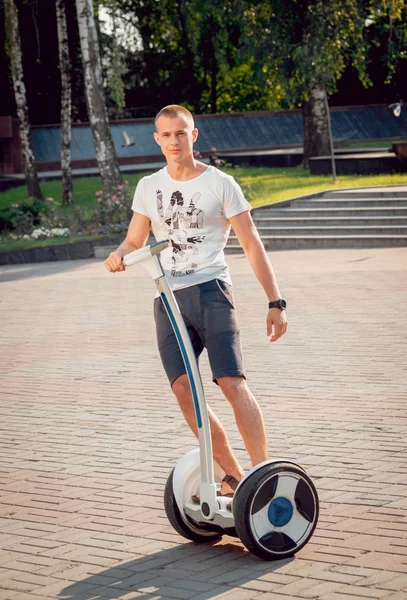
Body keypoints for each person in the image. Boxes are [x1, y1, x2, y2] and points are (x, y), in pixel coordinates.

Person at [104, 105, 288, 499]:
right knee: (184, 389)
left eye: (181, 133)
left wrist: (276, 301)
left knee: (230, 382)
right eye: (166, 135)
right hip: (167, 298)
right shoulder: (148, 186)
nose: (174, 141)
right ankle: (235, 475)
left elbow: (252, 243)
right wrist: (119, 253)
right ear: (156, 139)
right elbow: (135, 239)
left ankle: (263, 474)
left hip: (211, 291)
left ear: (194, 135)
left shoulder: (220, 184)